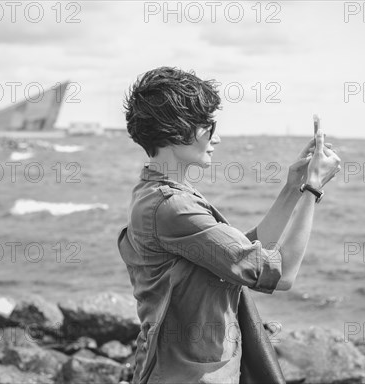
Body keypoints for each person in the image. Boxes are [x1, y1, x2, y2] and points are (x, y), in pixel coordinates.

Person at [118, 67, 341, 384]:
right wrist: (313, 189)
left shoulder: (160, 196)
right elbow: (282, 274)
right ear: (176, 129)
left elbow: (240, 252)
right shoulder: (171, 207)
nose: (217, 137)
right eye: (209, 126)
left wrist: (293, 187)